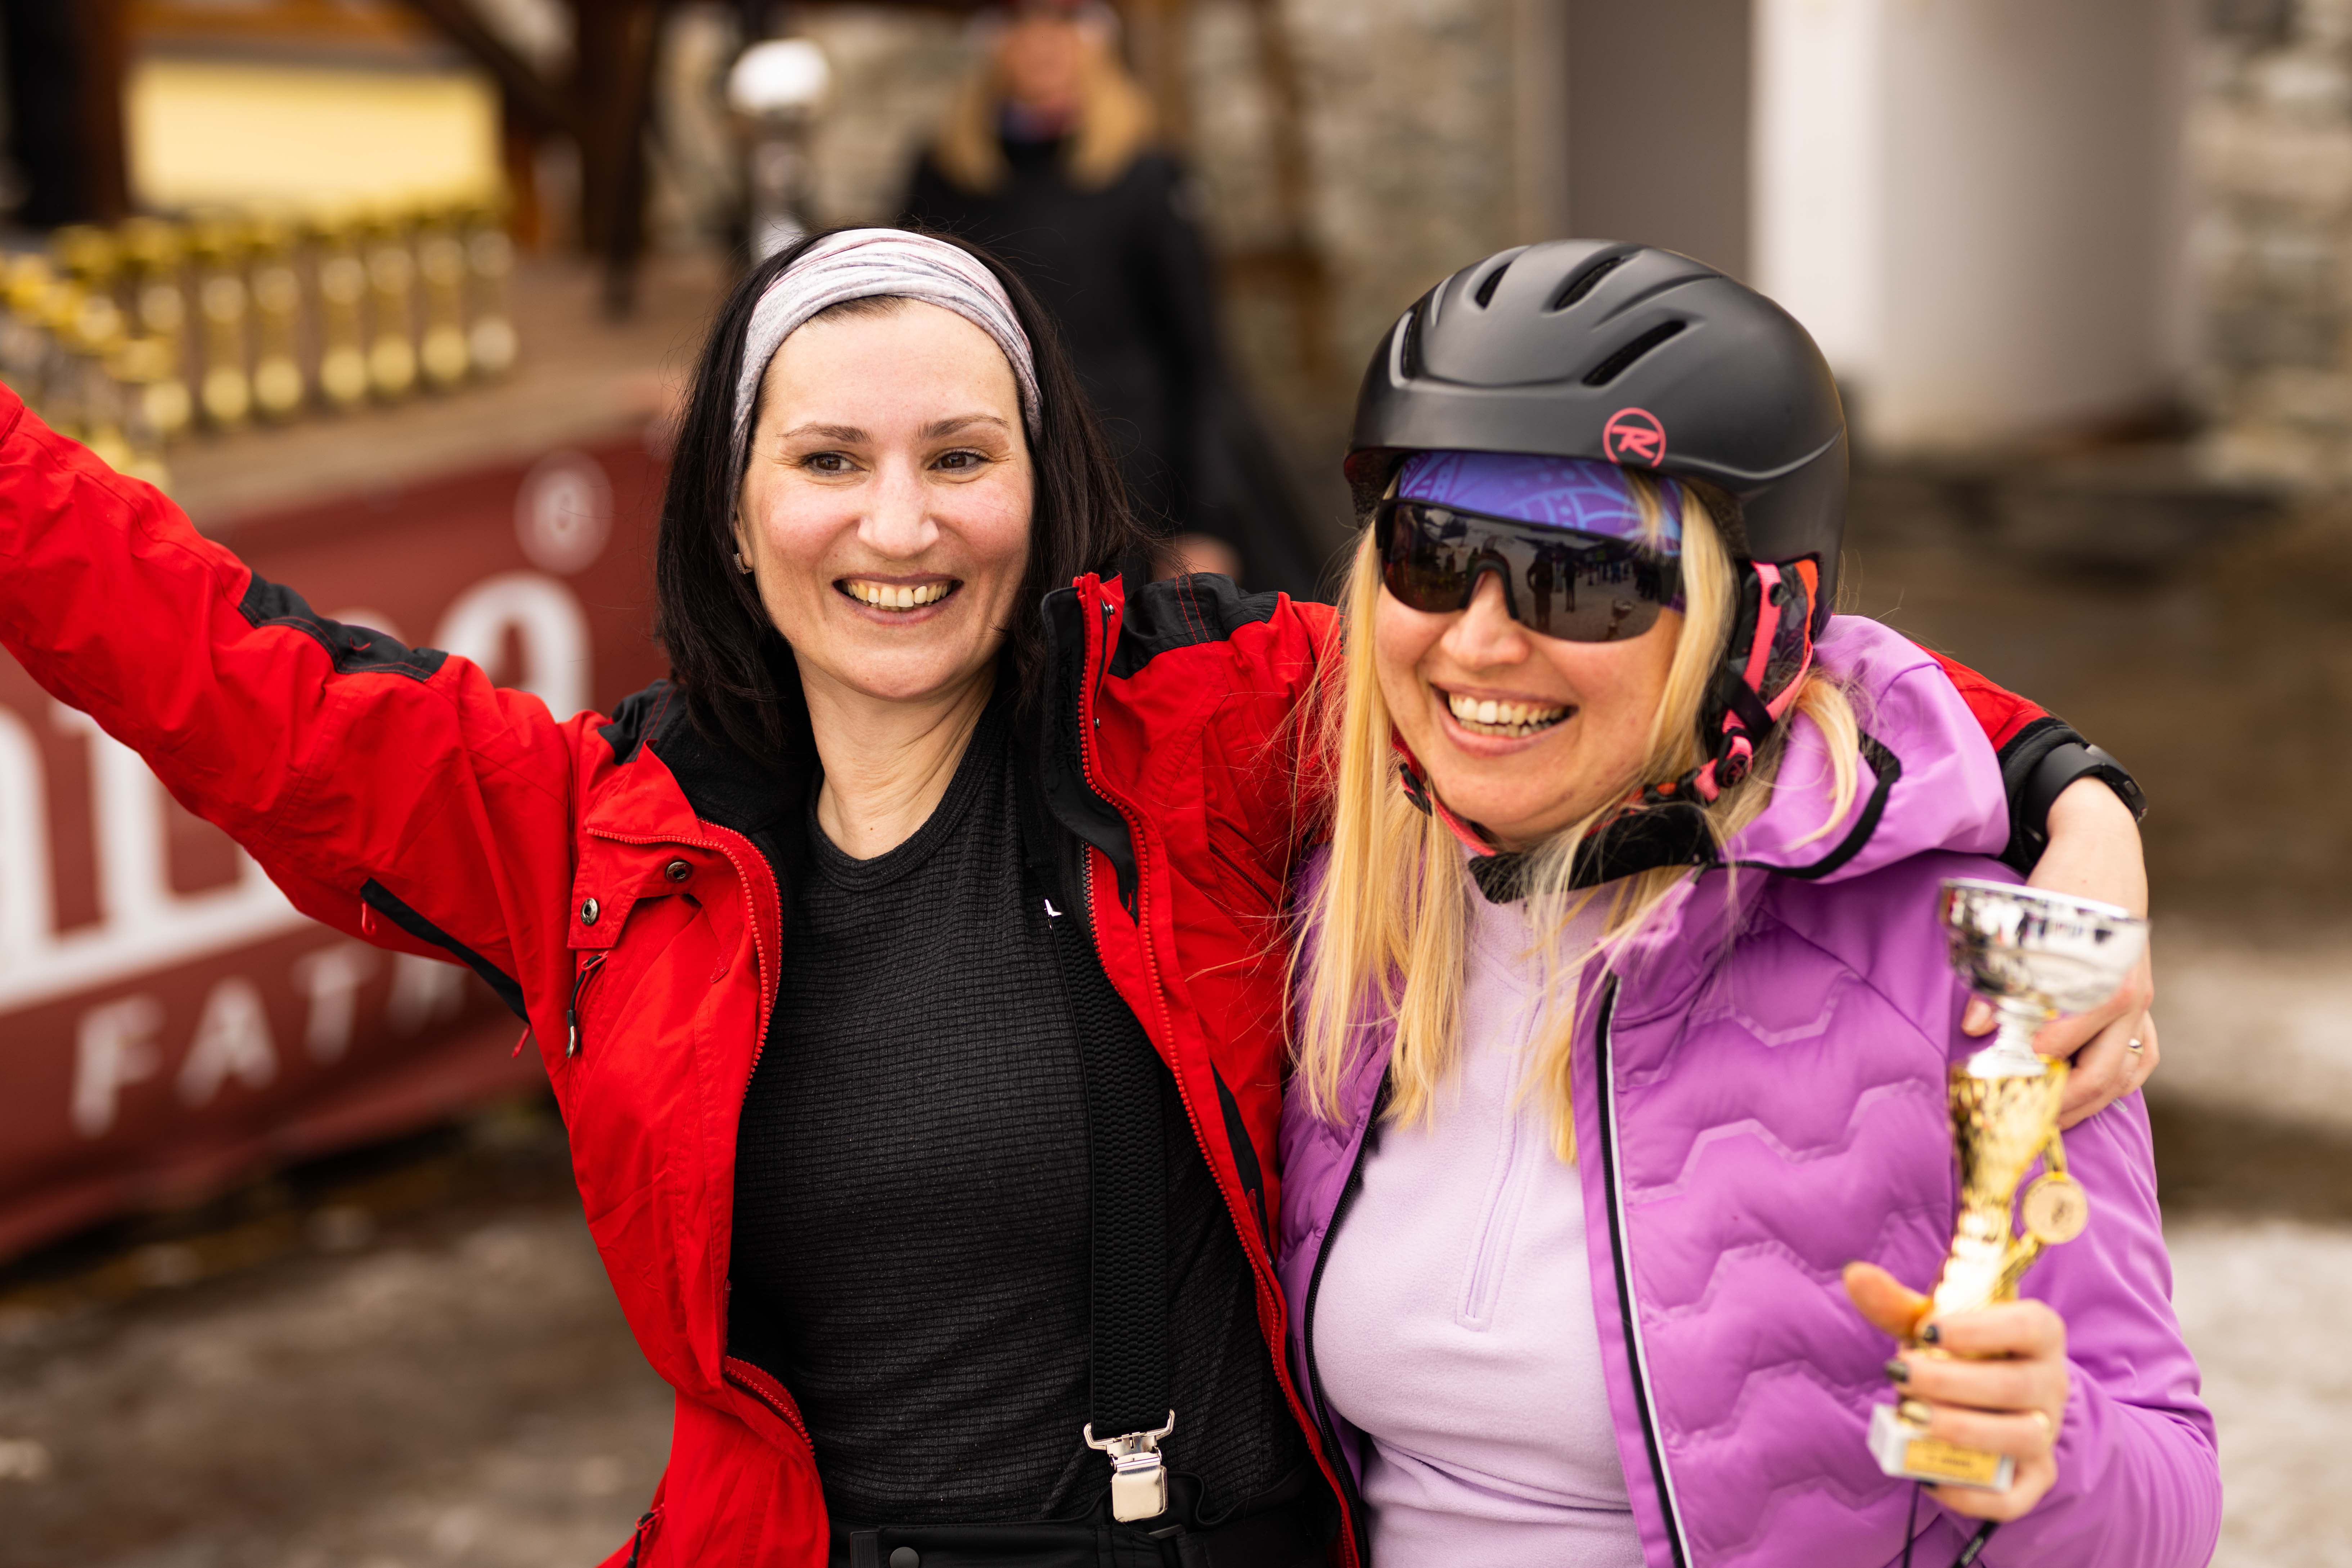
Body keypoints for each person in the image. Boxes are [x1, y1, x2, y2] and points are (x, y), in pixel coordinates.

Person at [0, 225, 2150, 1568]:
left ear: (1044, 486)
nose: (898, 523)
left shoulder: (1195, 724)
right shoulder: (584, 836)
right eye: (825, 462)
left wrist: (2064, 782)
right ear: (731, 509)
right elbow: (198, 657)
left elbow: (1635, 655)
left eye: (961, 454)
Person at [1275, 243, 2212, 1568]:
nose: (1478, 639)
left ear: (1750, 628)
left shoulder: (1960, 965)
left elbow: (2169, 1501)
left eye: (1580, 575)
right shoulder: (1343, 910)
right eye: (1432, 556)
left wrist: (2048, 1456)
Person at [903, 0, 1323, 592]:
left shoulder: (1143, 172)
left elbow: (1198, 358)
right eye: (1019, 21)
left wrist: (1204, 521)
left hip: (1129, 485)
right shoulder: (947, 173)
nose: (1042, 41)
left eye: (1064, 20)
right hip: (998, 473)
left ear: (1097, 37)